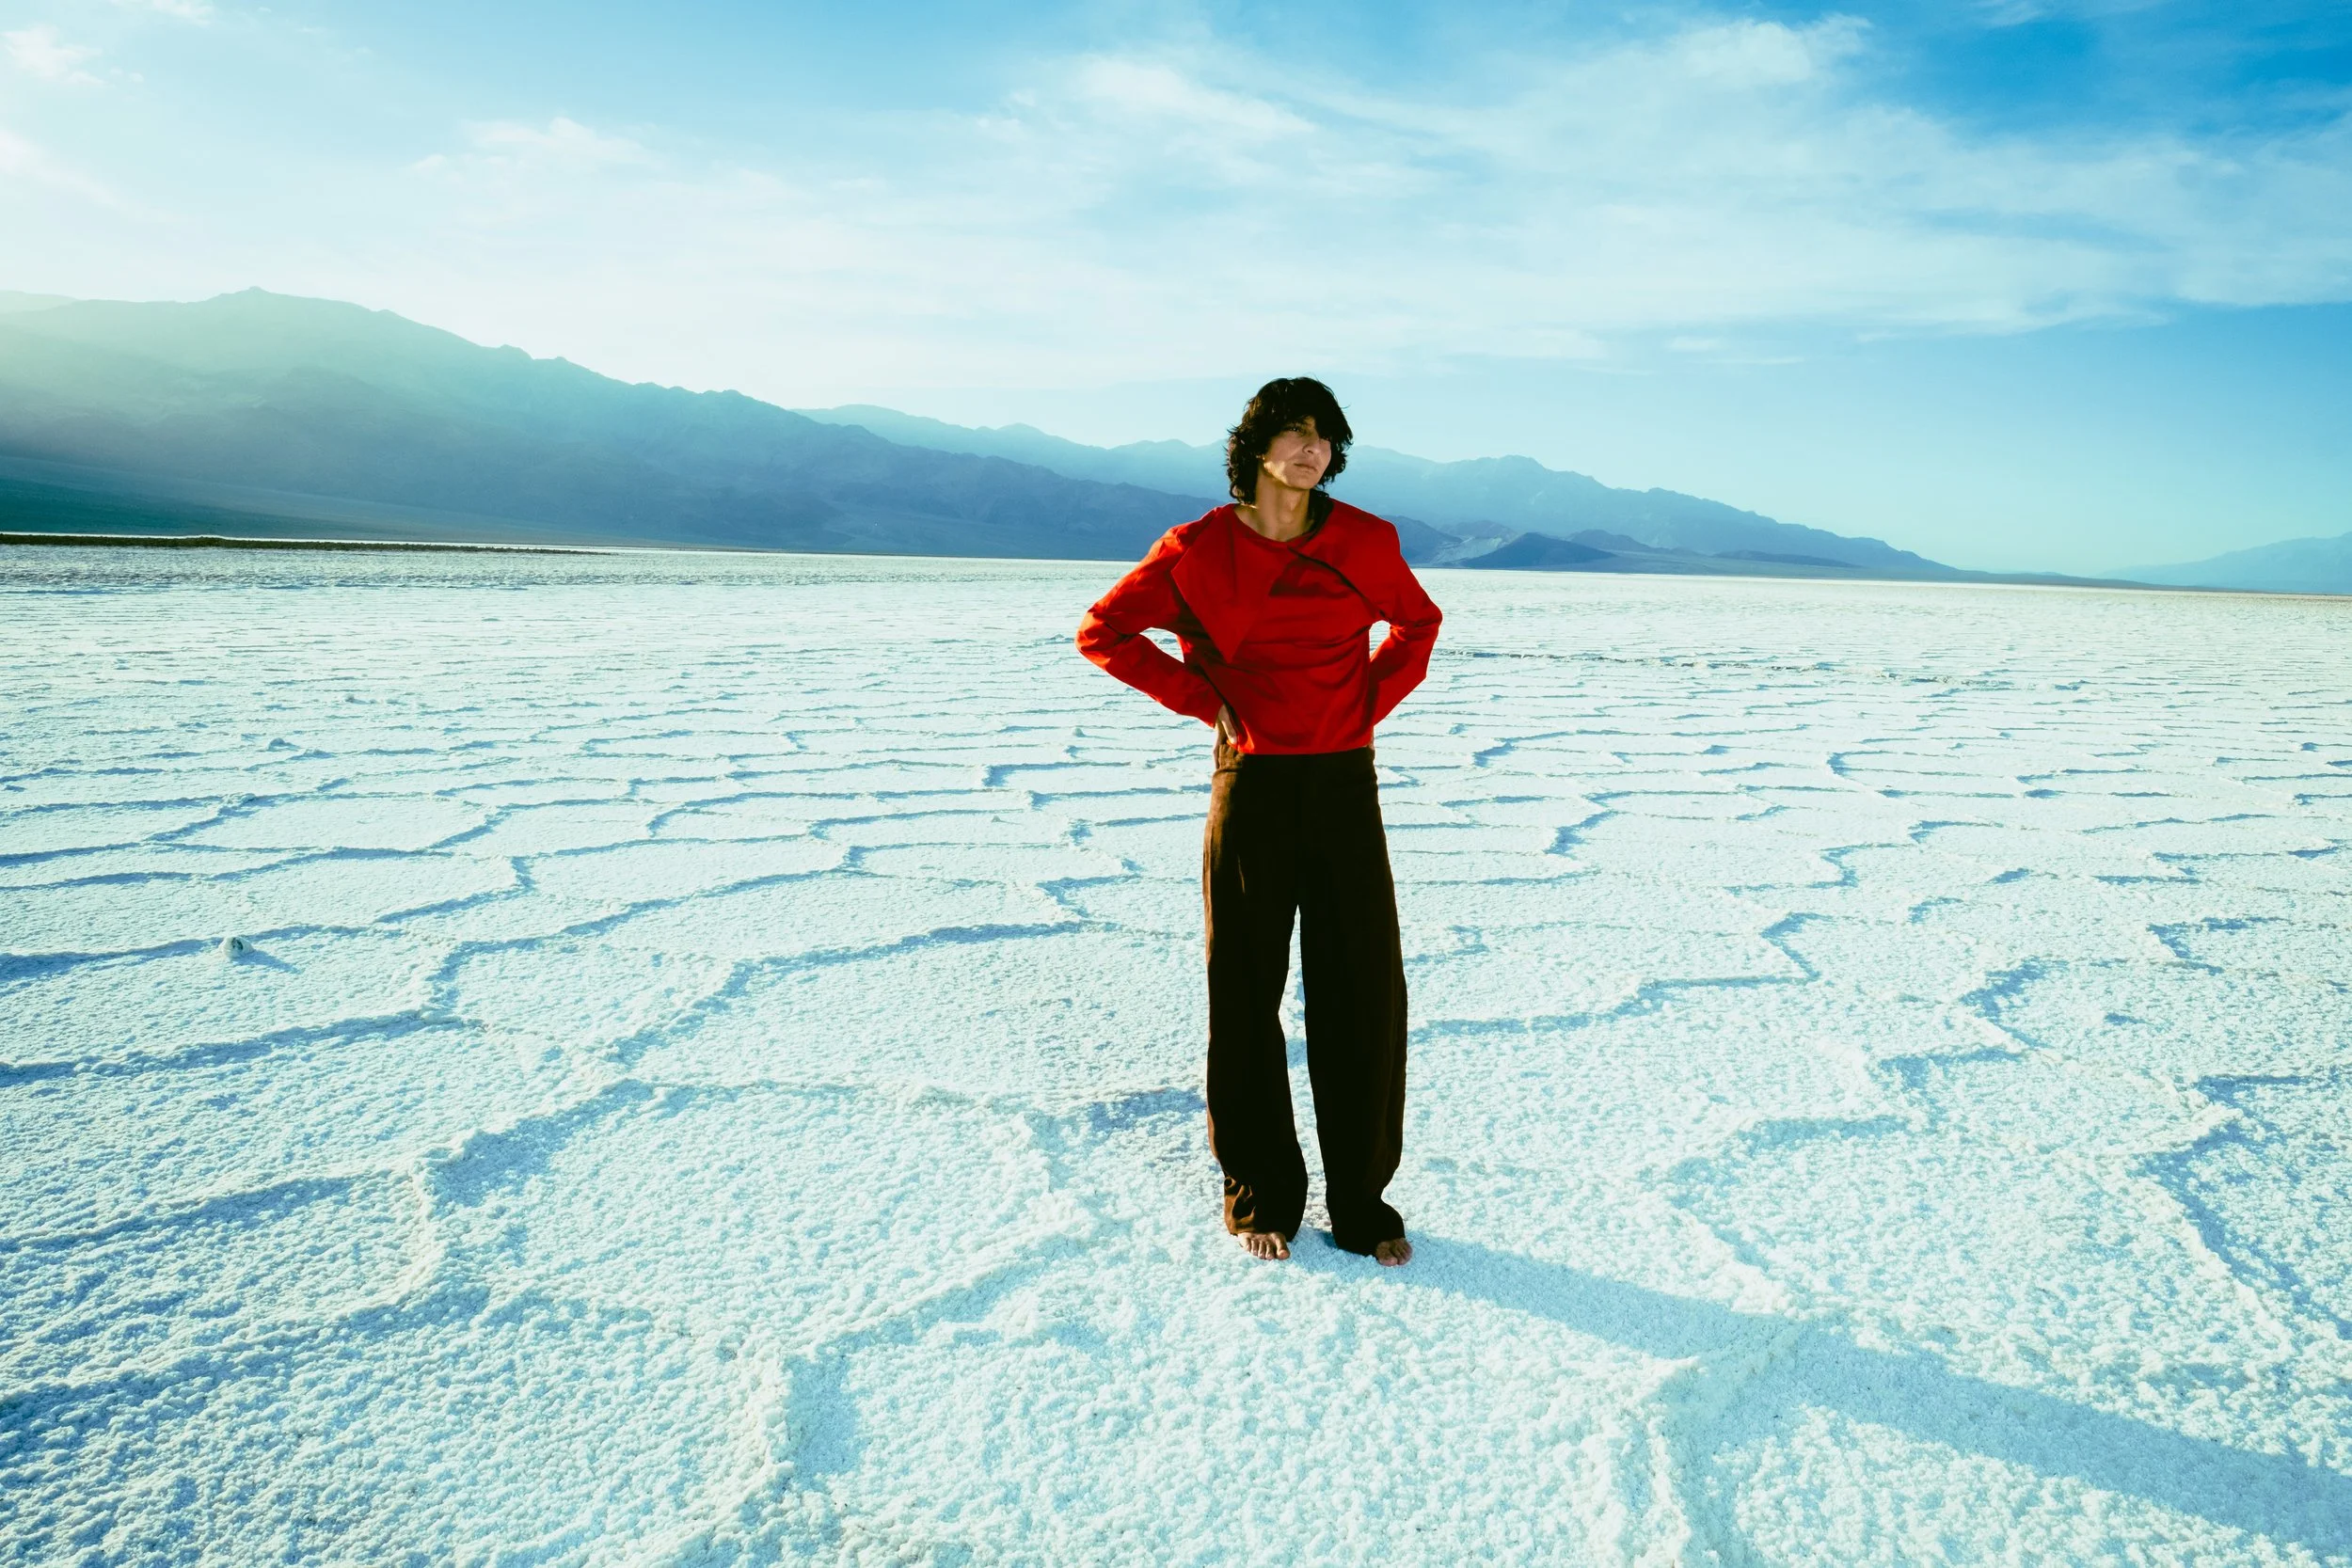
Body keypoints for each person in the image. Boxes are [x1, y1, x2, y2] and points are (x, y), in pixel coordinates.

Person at [1075, 377, 1443, 1266]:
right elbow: (1104, 632)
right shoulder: (1196, 548)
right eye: (1296, 432)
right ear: (1258, 448)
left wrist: (1361, 706)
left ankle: (1363, 1201)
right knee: (1244, 990)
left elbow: (1417, 625)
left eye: (1325, 436)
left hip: (1345, 781)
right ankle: (1260, 1190)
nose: (1313, 448)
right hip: (1253, 782)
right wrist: (1203, 697)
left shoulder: (1365, 540)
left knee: (1363, 989)